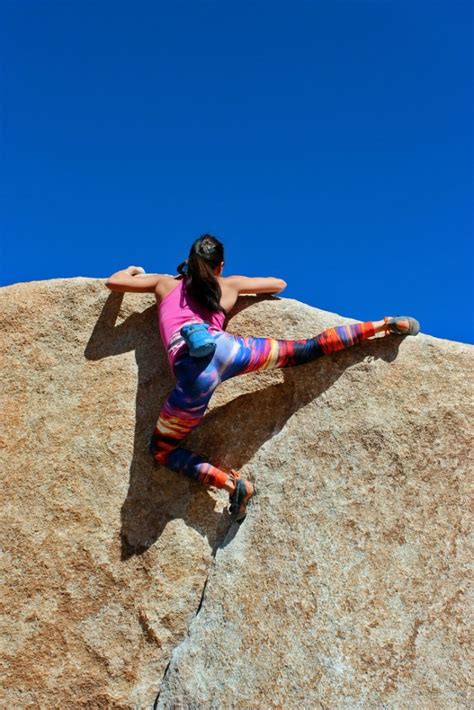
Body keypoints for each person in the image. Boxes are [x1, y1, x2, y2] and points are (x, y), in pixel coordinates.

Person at [106, 233, 420, 523]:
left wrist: (133, 270)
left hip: (194, 376)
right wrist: (238, 284)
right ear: (220, 265)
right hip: (230, 349)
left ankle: (233, 485)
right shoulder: (227, 285)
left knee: (163, 449)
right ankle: (383, 325)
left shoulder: (163, 283)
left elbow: (114, 283)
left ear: (188, 260)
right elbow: (278, 284)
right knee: (304, 350)